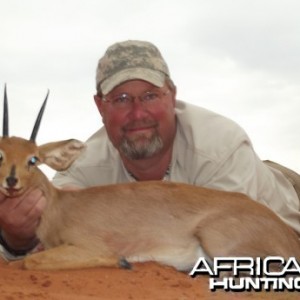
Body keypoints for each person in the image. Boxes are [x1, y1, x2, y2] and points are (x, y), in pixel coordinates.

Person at [0, 40, 299, 260]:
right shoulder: (86, 164)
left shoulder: (220, 147)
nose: (138, 112)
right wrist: (17, 235)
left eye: (150, 95)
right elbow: (49, 233)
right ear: (99, 106)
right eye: (121, 99)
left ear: (172, 96)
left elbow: (236, 251)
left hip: (284, 214)